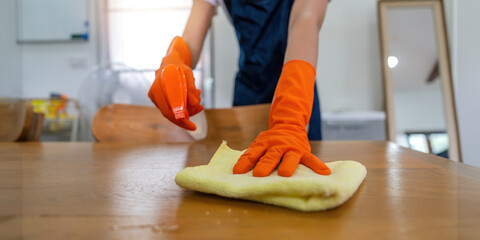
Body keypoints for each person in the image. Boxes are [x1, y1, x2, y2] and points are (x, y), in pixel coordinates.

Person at [148, 0, 331, 177]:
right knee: (242, 178)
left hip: (297, 99)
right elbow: (191, 39)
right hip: (248, 94)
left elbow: (305, 19)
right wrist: (175, 60)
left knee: (298, 177)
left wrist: (290, 121)